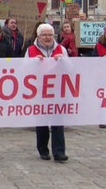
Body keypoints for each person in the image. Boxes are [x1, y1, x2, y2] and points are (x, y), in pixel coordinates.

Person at [25, 23, 69, 162]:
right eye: (44, 35)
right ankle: (43, 150)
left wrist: (62, 62)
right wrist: (33, 62)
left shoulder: (61, 49)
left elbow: (71, 68)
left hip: (57, 90)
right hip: (39, 91)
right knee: (42, 122)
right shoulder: (31, 50)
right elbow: (23, 68)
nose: (48, 37)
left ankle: (59, 152)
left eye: (50, 35)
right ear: (38, 36)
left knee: (57, 122)